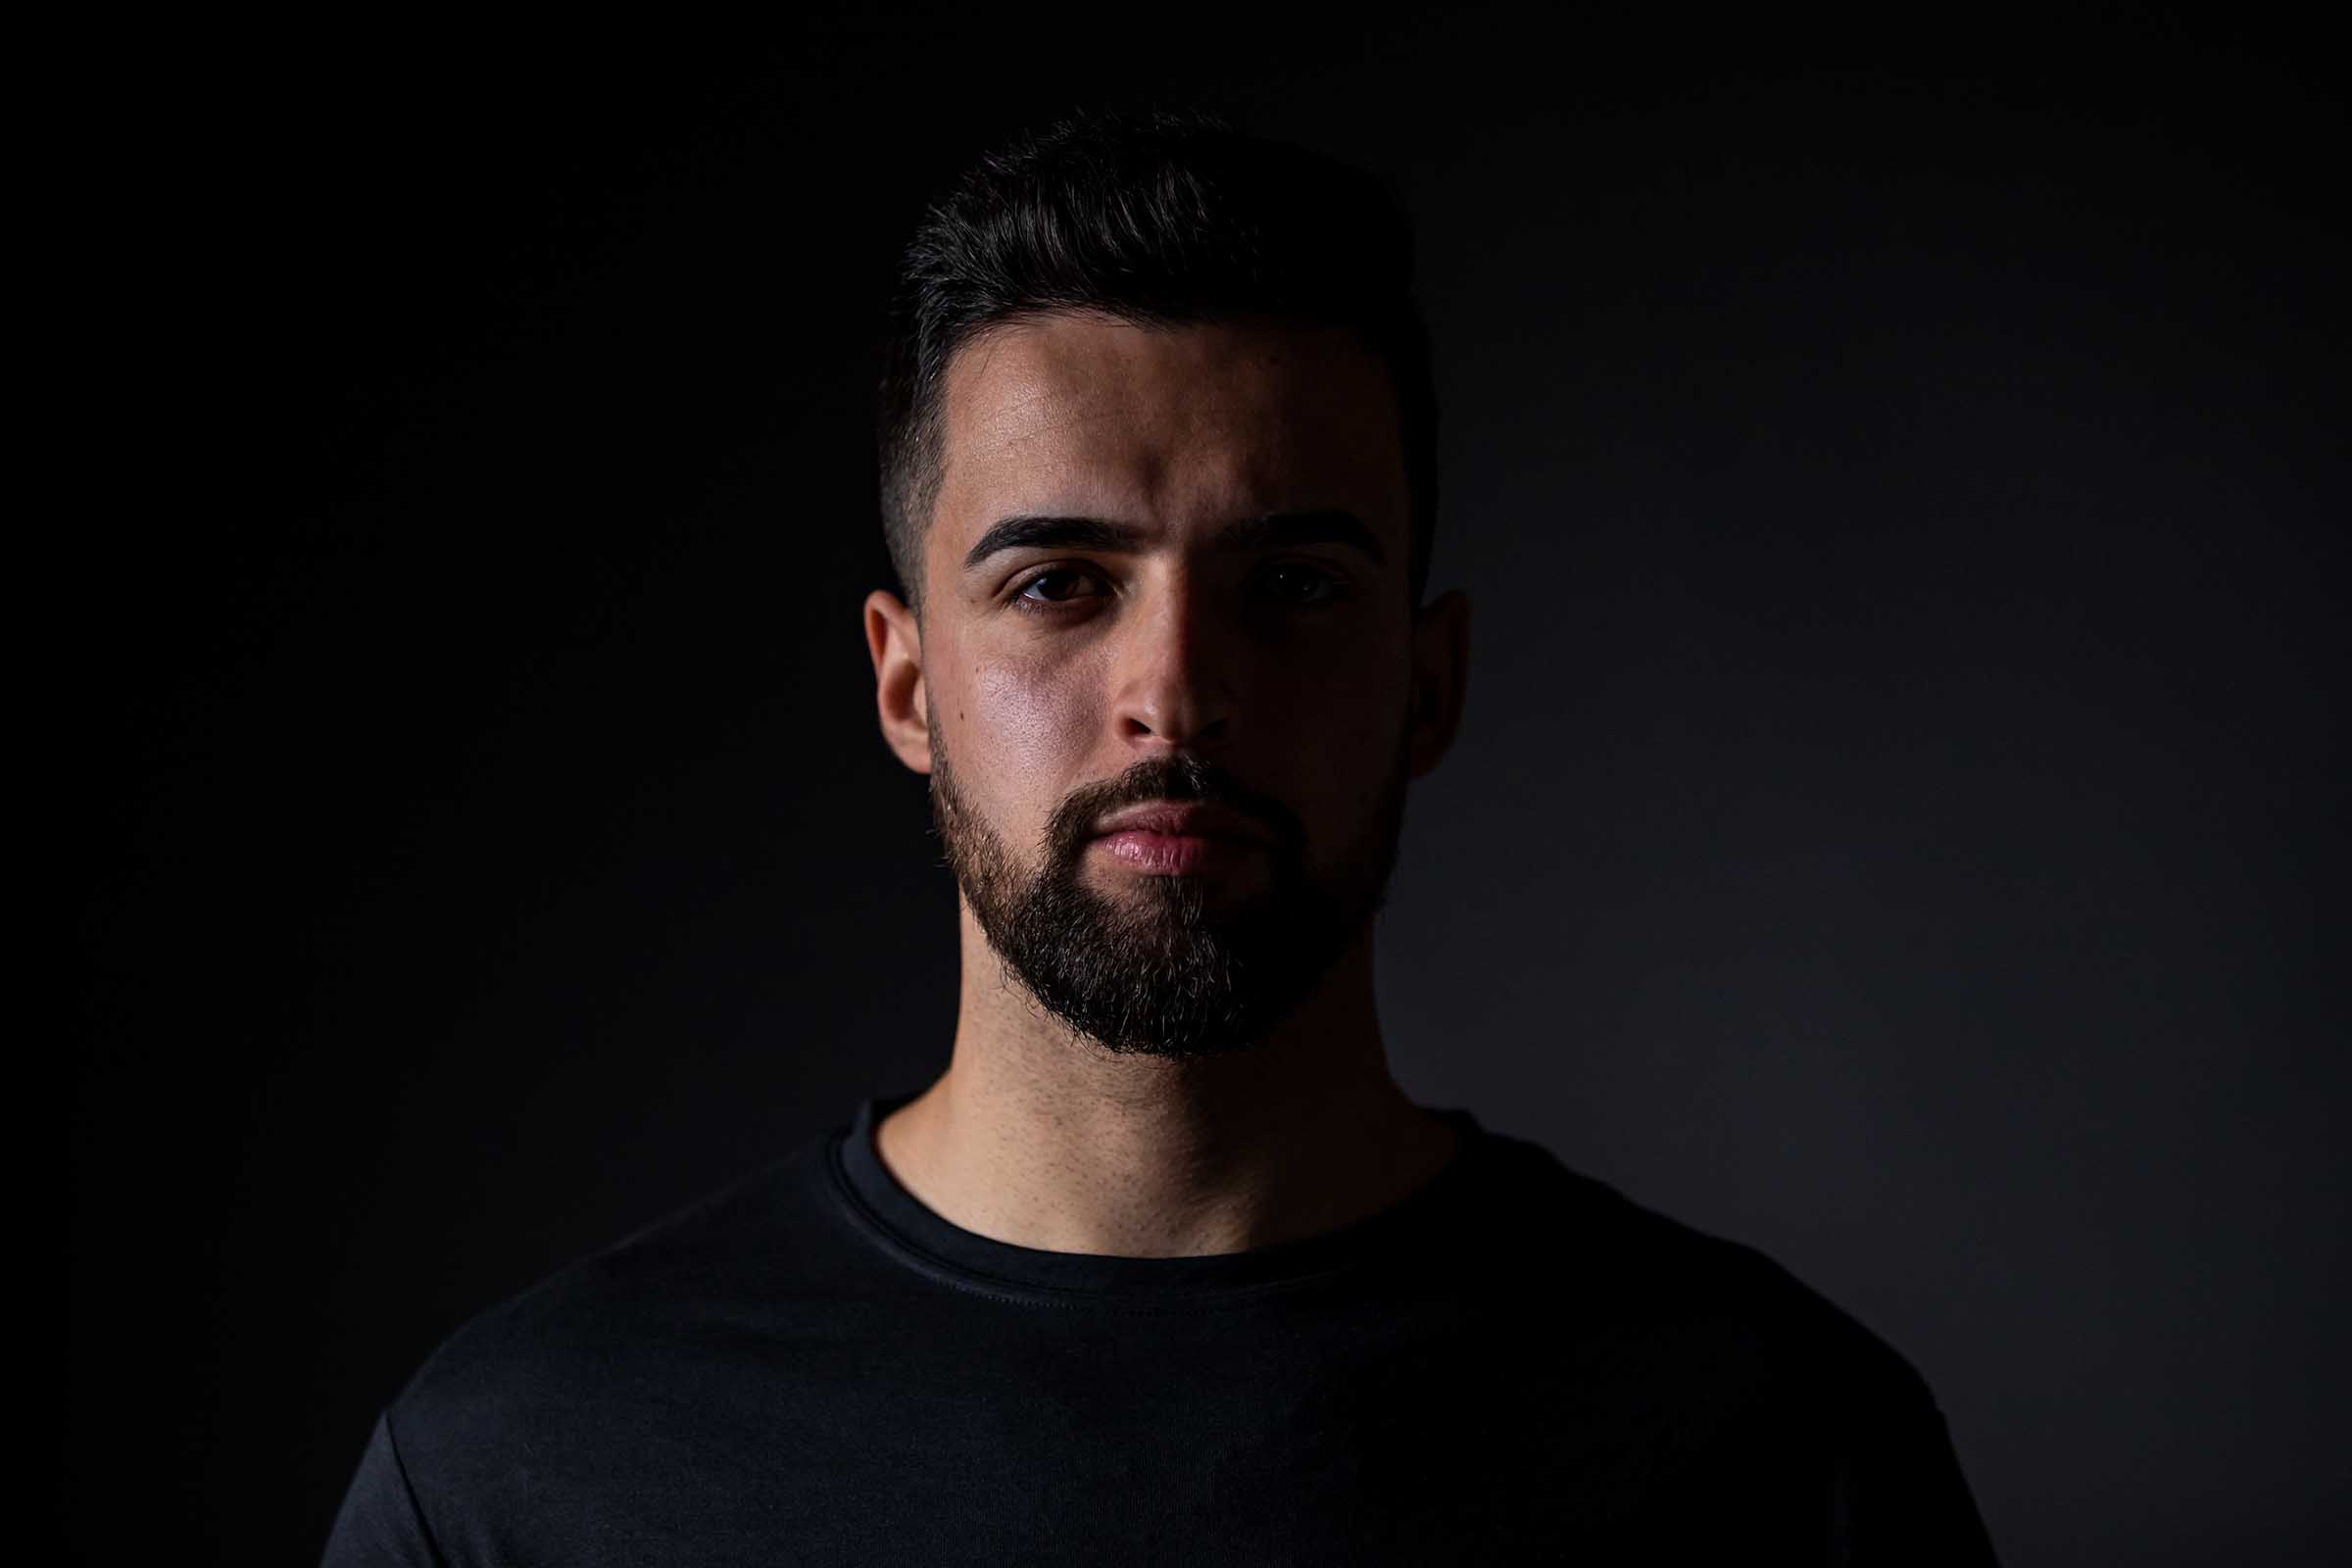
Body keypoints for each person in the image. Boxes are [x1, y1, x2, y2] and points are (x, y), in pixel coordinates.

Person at [322, 107, 1999, 1564]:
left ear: (1428, 685)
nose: (1178, 693)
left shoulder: (1781, 1451)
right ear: (907, 687)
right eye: (1060, 584)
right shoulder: (522, 1474)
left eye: (1295, 587)